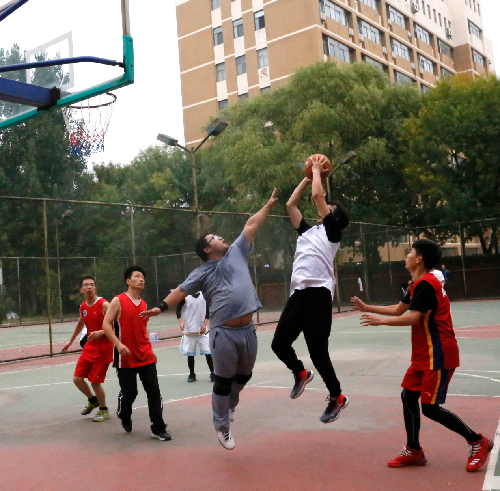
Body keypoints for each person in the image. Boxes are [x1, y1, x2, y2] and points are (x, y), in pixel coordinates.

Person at [140, 189, 278, 450]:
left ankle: (231, 405)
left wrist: (268, 205)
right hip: (223, 332)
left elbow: (251, 224)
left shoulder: (237, 252)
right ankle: (222, 427)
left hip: (248, 330)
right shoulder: (202, 272)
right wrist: (161, 307)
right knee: (223, 381)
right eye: (215, 237)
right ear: (207, 248)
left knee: (244, 376)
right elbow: (180, 291)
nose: (221, 237)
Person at [351, 239, 492, 471]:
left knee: (430, 408)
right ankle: (414, 450)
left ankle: (477, 440)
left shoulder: (426, 284)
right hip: (424, 354)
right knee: (408, 396)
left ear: (419, 259)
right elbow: (400, 309)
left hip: (438, 353)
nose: (406, 255)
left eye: (410, 252)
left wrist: (381, 321)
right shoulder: (418, 283)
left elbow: (413, 317)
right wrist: (368, 308)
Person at [271, 156, 350, 423]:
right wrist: (306, 179)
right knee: (279, 344)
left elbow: (318, 195)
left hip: (318, 295)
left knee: (318, 352)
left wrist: (316, 170)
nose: (322, 207)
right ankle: (300, 373)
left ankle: (337, 397)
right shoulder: (307, 232)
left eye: (328, 208)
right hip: (299, 294)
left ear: (334, 218)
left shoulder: (332, 233)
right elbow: (290, 204)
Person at [102, 266, 170, 441]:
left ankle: (158, 428)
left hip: (145, 354)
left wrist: (150, 350)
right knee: (130, 393)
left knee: (154, 391)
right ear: (128, 281)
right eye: (137, 276)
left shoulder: (144, 303)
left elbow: (143, 328)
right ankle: (124, 413)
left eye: (143, 277)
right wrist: (118, 344)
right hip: (125, 355)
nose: (141, 279)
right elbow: (106, 324)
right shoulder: (118, 300)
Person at [62, 276, 112, 422]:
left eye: (92, 285)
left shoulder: (104, 304)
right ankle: (92, 400)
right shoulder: (83, 306)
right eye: (86, 285)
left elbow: (115, 324)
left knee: (95, 382)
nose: (89, 287)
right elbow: (80, 323)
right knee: (77, 379)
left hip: (103, 348)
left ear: (95, 288)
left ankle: (104, 410)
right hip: (89, 347)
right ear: (81, 290)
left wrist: (101, 332)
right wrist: (70, 341)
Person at [176, 291, 214, 383]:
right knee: (190, 354)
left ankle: (213, 373)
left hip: (202, 331)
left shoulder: (204, 296)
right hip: (189, 330)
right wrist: (181, 322)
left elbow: (208, 311)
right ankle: (192, 374)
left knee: (209, 353)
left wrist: (205, 324)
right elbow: (177, 310)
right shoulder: (185, 296)